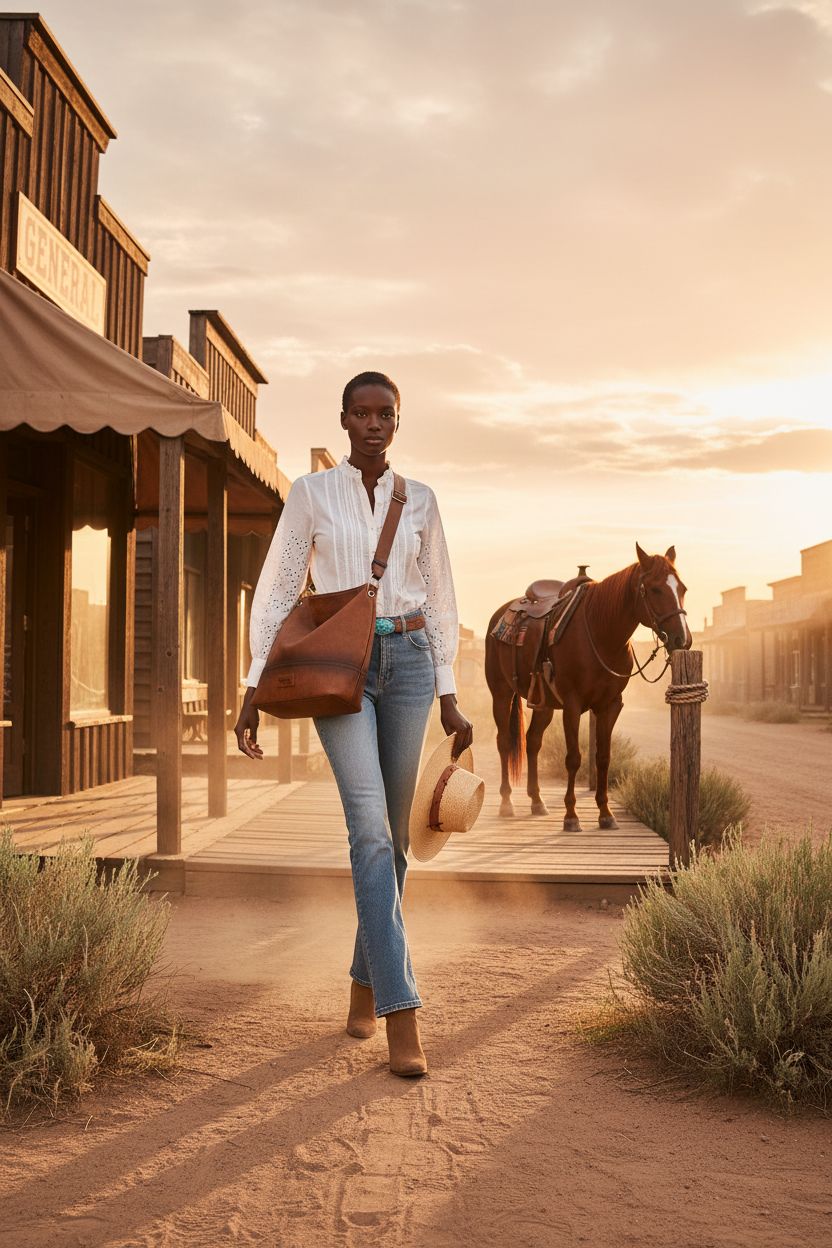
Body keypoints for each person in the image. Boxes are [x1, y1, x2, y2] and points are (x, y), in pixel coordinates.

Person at [234, 371, 472, 1076]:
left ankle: (362, 986)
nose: (373, 424)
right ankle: (403, 1012)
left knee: (396, 840)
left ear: (397, 423)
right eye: (361, 413)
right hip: (337, 672)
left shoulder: (422, 500)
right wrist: (253, 682)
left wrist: (450, 689)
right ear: (344, 420)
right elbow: (279, 587)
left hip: (410, 665)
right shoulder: (310, 495)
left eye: (385, 414)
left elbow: (442, 595)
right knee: (368, 829)